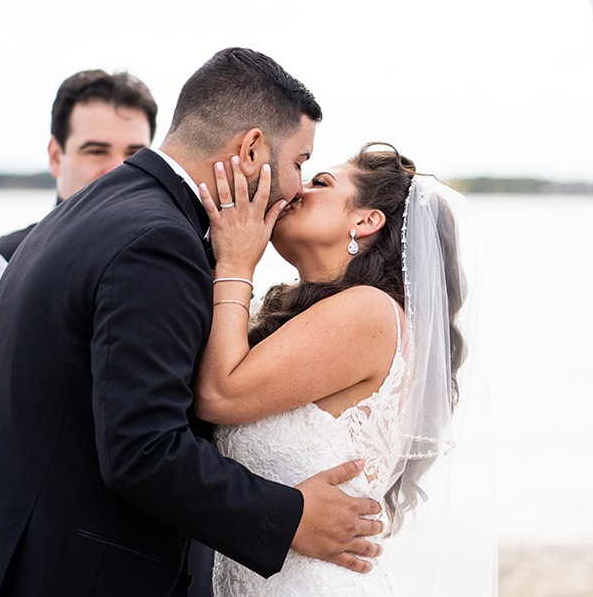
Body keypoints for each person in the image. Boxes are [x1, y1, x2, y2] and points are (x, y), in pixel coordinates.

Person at [0, 48, 384, 597]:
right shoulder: (158, 242)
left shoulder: (102, 207)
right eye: (298, 162)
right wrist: (288, 516)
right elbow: (142, 450)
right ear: (250, 150)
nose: (294, 188)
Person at [193, 142, 496, 595]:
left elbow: (220, 395)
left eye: (321, 183)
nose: (299, 189)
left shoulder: (369, 312)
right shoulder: (312, 313)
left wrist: (235, 261)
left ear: (366, 220)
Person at [0, 69, 157, 445]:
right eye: (96, 151)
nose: (118, 169)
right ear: (56, 157)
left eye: (134, 154)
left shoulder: (170, 264)